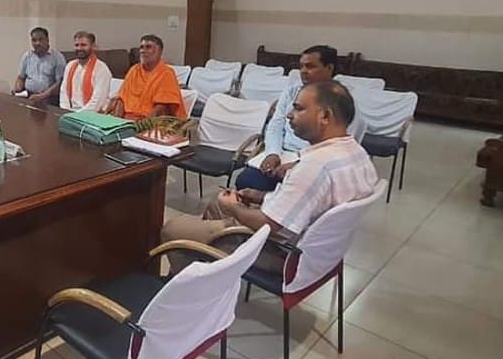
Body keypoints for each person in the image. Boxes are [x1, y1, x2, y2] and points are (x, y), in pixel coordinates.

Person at [160, 80, 377, 273]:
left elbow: (271, 224)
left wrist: (235, 208)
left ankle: (190, 289)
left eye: (299, 109)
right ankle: (211, 267)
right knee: (218, 204)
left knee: (174, 229)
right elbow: (310, 204)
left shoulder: (314, 166)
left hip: (283, 254)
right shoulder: (358, 154)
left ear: (325, 116)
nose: (290, 115)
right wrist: (260, 196)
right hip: (323, 255)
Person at [234, 45, 365, 192]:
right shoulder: (292, 92)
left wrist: (300, 164)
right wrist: (273, 153)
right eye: (301, 66)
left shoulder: (343, 102)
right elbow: (276, 125)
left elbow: (341, 148)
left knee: (288, 191)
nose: (303, 71)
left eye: (310, 66)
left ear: (329, 68)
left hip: (316, 164)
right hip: (284, 154)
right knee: (246, 181)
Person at [102, 34, 186, 120]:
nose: (143, 51)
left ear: (160, 52)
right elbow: (122, 98)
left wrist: (142, 126)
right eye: (141, 47)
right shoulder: (134, 70)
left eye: (148, 47)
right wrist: (117, 123)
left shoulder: (166, 73)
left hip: (150, 122)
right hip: (127, 121)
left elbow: (161, 107)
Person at [59, 31, 112, 112]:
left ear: (93, 46)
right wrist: (66, 111)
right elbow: (64, 93)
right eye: (77, 45)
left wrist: (77, 115)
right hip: (70, 113)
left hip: (93, 114)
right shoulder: (70, 65)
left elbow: (97, 102)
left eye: (83, 45)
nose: (79, 48)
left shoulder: (101, 69)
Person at [13, 27, 65, 106]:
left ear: (47, 40)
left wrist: (42, 95)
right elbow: (21, 77)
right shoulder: (27, 56)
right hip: (28, 96)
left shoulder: (57, 57)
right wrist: (17, 89)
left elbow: (60, 83)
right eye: (34, 40)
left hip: (48, 98)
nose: (37, 43)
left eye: (41, 39)